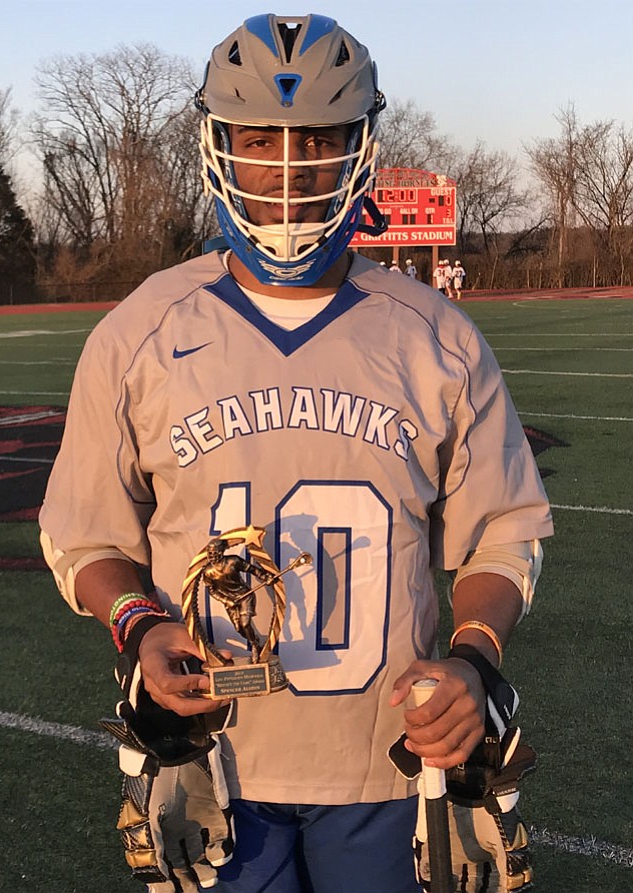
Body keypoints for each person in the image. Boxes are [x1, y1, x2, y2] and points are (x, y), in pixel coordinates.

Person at [39, 13, 552, 893]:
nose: (287, 169)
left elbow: (502, 531)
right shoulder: (139, 332)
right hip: (214, 758)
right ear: (217, 147)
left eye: (316, 139)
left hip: (392, 763)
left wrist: (472, 657)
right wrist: (142, 625)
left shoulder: (436, 335)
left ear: (359, 146)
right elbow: (86, 536)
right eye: (259, 140)